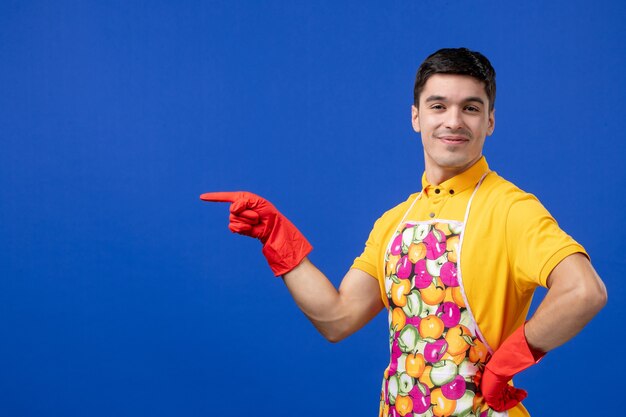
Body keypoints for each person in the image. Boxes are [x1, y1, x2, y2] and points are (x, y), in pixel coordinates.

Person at [200, 48, 607, 417]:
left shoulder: (511, 209)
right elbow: (337, 318)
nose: (453, 121)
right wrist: (278, 238)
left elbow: (583, 291)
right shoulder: (396, 220)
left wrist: (507, 362)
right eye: (438, 106)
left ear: (490, 121)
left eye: (470, 108)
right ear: (416, 116)